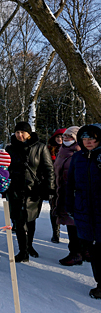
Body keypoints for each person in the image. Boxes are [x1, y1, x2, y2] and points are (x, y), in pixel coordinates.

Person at [5, 122, 55, 262]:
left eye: (23, 132)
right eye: (17, 132)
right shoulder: (10, 148)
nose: (20, 135)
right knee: (19, 221)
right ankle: (23, 251)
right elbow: (4, 168)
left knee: (31, 220)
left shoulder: (40, 148)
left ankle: (29, 245)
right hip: (15, 190)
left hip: (33, 191)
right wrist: (2, 185)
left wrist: (50, 188)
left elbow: (48, 169)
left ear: (29, 134)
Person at [66, 123, 101, 299]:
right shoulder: (78, 157)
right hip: (83, 209)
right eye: (85, 138)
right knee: (92, 248)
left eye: (92, 138)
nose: (88, 141)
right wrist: (69, 204)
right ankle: (100, 283)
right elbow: (70, 182)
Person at [53, 126, 89, 266]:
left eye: (70, 136)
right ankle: (78, 251)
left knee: (75, 225)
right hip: (63, 192)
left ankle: (77, 253)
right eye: (65, 136)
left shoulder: (80, 152)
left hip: (76, 194)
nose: (66, 138)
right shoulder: (62, 150)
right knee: (70, 224)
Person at [47, 128, 66, 243]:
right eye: (58, 137)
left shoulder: (73, 149)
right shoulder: (49, 150)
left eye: (62, 137)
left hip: (66, 183)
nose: (60, 139)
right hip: (54, 183)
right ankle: (56, 232)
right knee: (53, 208)